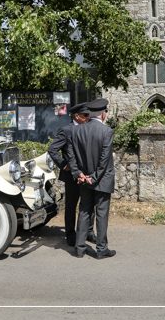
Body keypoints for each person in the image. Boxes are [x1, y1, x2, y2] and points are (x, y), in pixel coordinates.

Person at [68, 98, 116, 259]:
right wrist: (94, 177)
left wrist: (78, 174)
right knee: (101, 213)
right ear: (102, 114)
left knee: (84, 211)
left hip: (84, 178)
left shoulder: (77, 130)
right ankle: (101, 249)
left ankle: (80, 247)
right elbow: (104, 158)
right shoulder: (106, 131)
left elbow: (71, 156)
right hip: (101, 179)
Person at [47, 102, 93, 246]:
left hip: (87, 173)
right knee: (71, 206)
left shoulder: (88, 128)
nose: (88, 118)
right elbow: (52, 149)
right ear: (77, 116)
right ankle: (70, 234)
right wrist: (63, 164)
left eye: (88, 115)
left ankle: (88, 232)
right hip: (71, 175)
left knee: (89, 205)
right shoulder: (66, 130)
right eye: (85, 115)